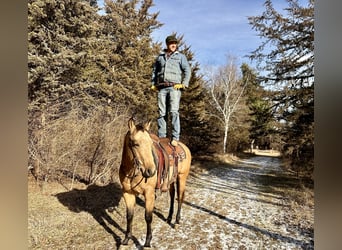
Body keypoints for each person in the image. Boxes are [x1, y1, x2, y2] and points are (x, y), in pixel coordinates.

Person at [151, 35, 191, 147]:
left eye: (175, 43)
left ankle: (175, 138)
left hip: (174, 88)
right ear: (167, 44)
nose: (173, 45)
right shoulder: (160, 57)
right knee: (161, 113)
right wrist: (153, 84)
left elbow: (187, 70)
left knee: (173, 112)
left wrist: (184, 84)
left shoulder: (180, 57)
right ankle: (162, 137)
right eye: (171, 43)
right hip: (162, 88)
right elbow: (155, 71)